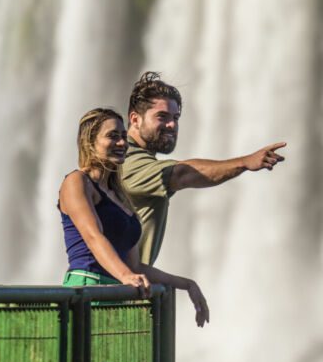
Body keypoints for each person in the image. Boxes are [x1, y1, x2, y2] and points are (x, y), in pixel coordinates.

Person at [59, 107, 210, 326]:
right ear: (90, 141)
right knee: (84, 359)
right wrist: (125, 276)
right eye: (112, 136)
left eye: (123, 136)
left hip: (115, 295)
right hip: (86, 290)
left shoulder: (120, 198)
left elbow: (136, 267)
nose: (121, 143)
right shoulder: (77, 182)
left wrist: (186, 284)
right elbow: (93, 236)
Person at [120, 72, 286, 265]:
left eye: (176, 117)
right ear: (134, 119)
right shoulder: (125, 158)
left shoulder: (137, 159)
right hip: (112, 290)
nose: (172, 124)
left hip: (125, 288)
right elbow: (182, 174)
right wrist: (245, 162)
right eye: (162, 116)